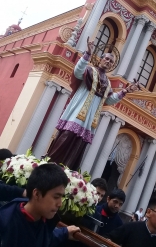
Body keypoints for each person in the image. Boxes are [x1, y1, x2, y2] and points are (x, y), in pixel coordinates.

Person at [48, 37, 140, 170]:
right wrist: (87, 54)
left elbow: (109, 99)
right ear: (101, 58)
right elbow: (78, 72)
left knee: (79, 144)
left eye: (111, 62)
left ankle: (67, 171)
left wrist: (126, 90)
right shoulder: (90, 70)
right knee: (67, 136)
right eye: (106, 59)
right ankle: (51, 163)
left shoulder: (108, 83)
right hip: (78, 111)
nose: (108, 62)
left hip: (90, 120)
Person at [0, 164, 80, 247]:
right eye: (56, 197)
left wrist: (65, 232)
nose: (60, 204)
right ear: (36, 194)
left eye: (61, 197)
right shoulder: (3, 225)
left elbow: (43, 241)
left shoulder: (42, 222)